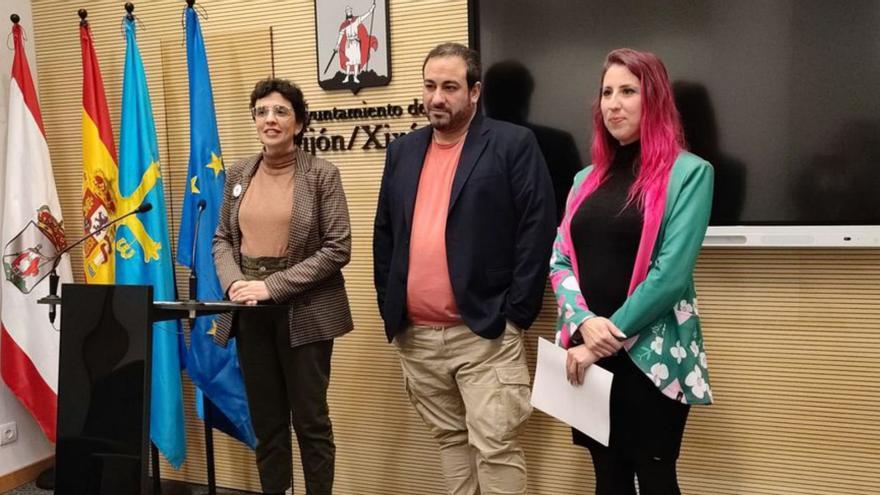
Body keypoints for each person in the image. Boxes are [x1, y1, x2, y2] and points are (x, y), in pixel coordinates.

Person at [373, 42, 556, 495]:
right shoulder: (403, 151)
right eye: (431, 86)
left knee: (494, 445)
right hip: (417, 336)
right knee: (450, 441)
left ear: (474, 92)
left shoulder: (513, 144)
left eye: (450, 87)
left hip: (484, 333)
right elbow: (385, 235)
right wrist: (390, 305)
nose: (437, 97)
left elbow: (538, 229)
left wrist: (515, 315)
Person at [550, 48, 714, 495]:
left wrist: (607, 337)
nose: (613, 103)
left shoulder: (690, 173)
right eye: (606, 92)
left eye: (628, 91)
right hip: (586, 351)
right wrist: (584, 325)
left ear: (654, 99)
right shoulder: (585, 179)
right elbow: (560, 258)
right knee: (608, 476)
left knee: (656, 476)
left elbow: (670, 274)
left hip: (650, 359)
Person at [213, 78, 353, 495]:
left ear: (299, 123)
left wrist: (270, 287)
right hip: (250, 312)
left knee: (310, 422)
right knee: (267, 421)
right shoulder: (238, 172)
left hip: (305, 313)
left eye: (280, 112)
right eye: (261, 112)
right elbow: (222, 238)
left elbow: (337, 248)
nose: (269, 120)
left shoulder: (322, 174)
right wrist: (235, 282)